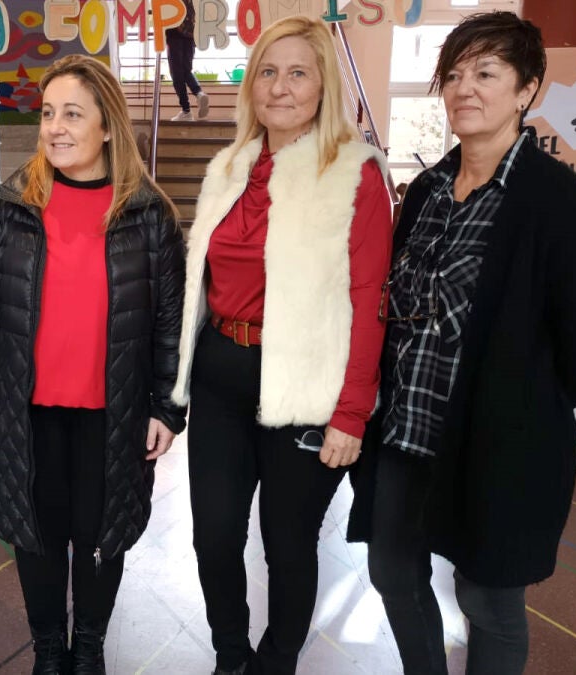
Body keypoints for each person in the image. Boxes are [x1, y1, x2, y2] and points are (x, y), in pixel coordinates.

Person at [346, 12, 576, 675]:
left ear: (526, 90)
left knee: (487, 601)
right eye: (455, 74)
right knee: (392, 572)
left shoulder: (554, 201)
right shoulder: (427, 191)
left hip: (500, 448)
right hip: (407, 433)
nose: (465, 87)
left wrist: (521, 403)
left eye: (487, 73)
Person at [170, 15, 392, 675]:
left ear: (324, 86)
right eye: (267, 71)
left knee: (288, 545)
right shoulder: (228, 166)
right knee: (214, 536)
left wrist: (352, 413)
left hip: (307, 386)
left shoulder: (356, 173)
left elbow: (370, 302)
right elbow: (199, 285)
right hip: (221, 375)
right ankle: (230, 655)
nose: (280, 86)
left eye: (298, 73)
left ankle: (278, 662)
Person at [0, 54, 186, 674]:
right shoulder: (13, 205)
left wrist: (167, 407)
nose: (55, 127)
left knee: (102, 534)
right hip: (26, 410)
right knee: (36, 533)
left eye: (73, 114)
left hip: (115, 412)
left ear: (107, 126)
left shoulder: (149, 213)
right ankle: (49, 651)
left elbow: (171, 320)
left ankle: (89, 650)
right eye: (48, 113)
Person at [166, 0, 209, 121]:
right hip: (190, 34)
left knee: (177, 74)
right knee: (186, 70)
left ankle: (186, 110)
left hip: (174, 33)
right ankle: (199, 93)